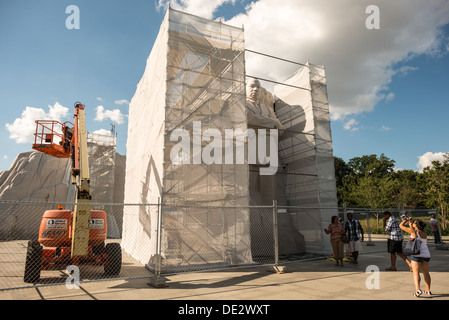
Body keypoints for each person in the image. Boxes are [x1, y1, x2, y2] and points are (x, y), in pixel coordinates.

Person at [400, 217, 432, 297]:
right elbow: (415, 234)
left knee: (416, 273)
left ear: (416, 225)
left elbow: (401, 226)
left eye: (414, 222)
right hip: (426, 254)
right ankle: (428, 290)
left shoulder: (413, 231)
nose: (413, 223)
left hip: (417, 254)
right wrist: (411, 225)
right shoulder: (424, 232)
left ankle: (417, 289)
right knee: (426, 273)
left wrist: (406, 220)